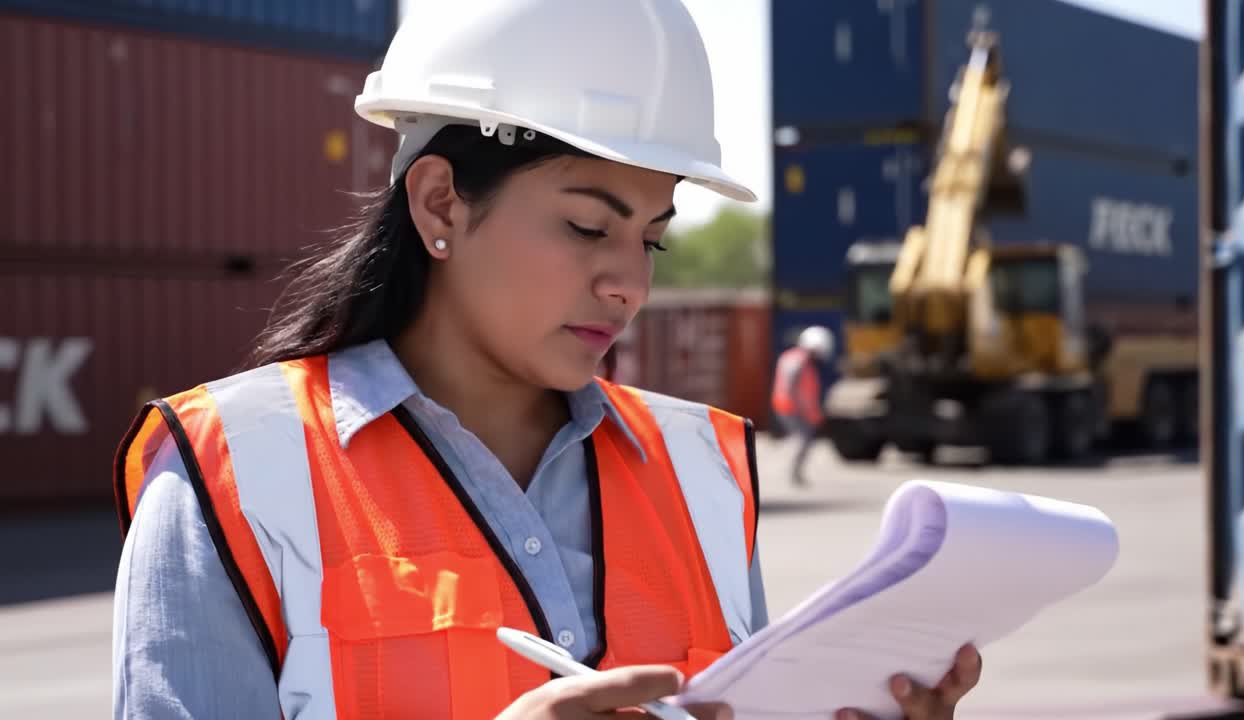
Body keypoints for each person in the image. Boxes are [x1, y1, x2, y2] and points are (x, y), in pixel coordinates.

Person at [110, 2, 983, 718]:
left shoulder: (702, 473)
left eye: (652, 240)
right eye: (587, 227)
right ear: (441, 202)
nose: (629, 285)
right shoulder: (230, 480)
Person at [772, 326, 836, 487]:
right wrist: (804, 410)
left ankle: (795, 472)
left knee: (802, 438)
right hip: (791, 408)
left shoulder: (800, 360)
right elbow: (791, 387)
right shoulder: (798, 361)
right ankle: (794, 472)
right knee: (803, 439)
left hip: (793, 407)